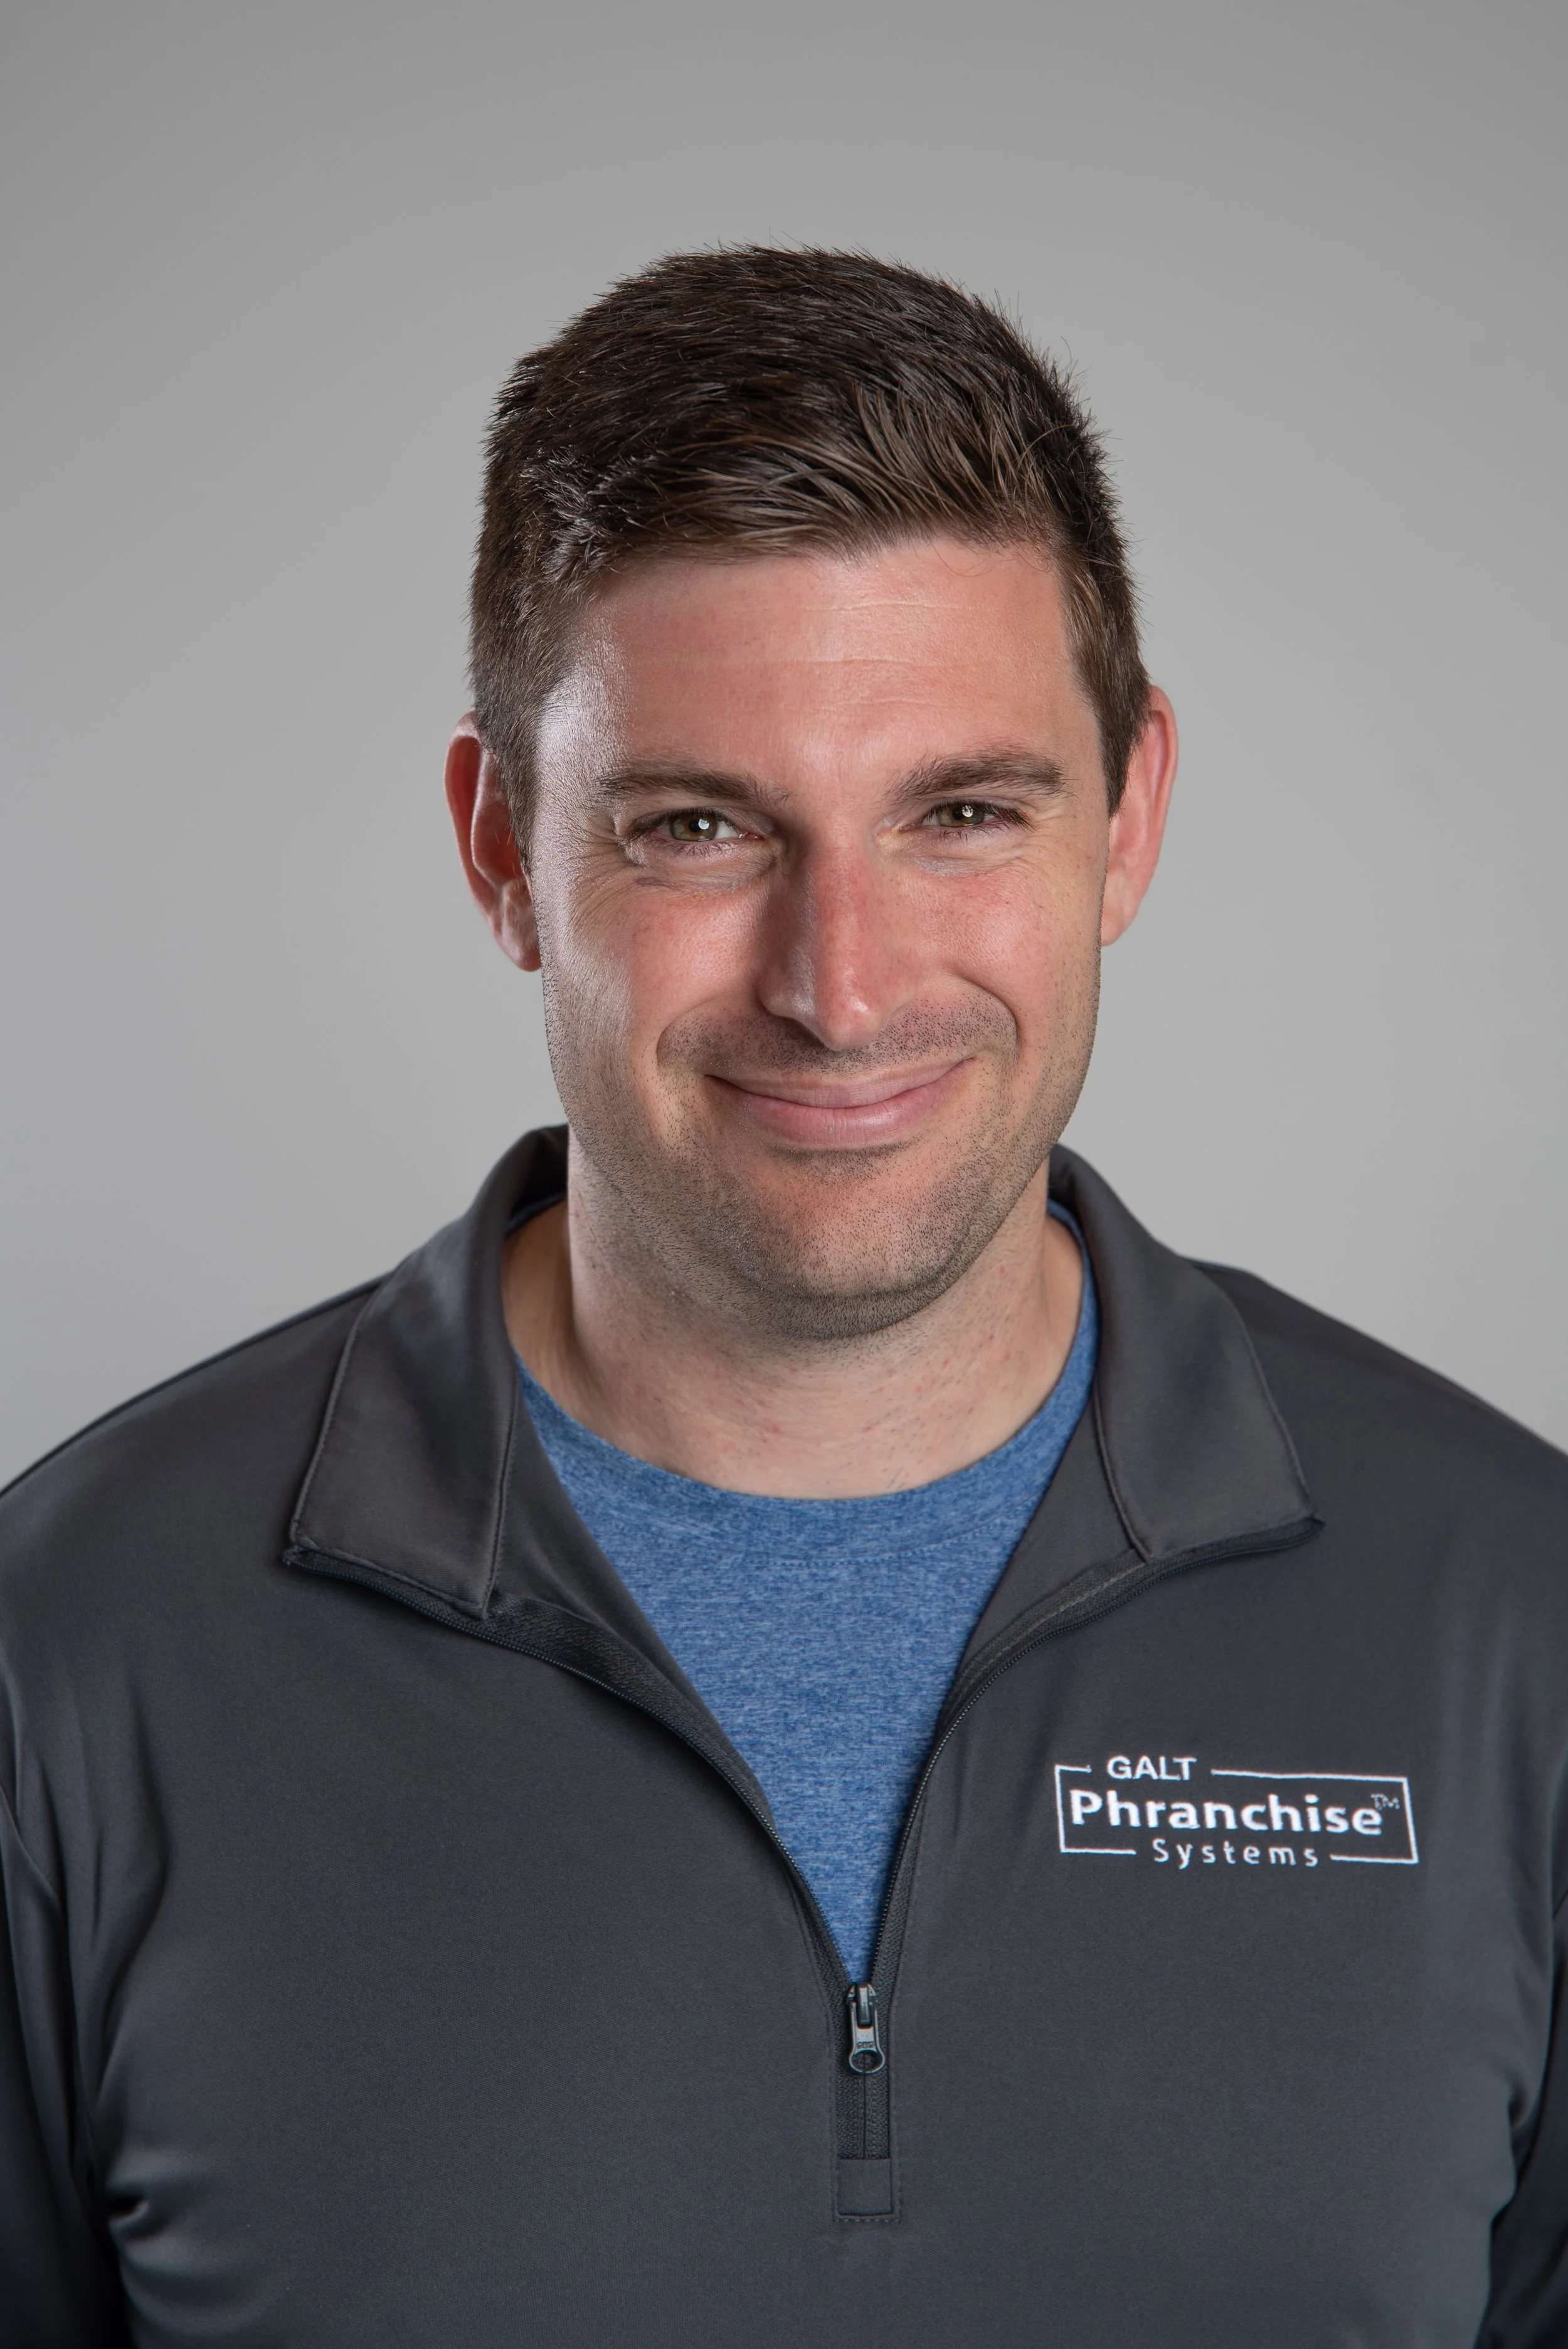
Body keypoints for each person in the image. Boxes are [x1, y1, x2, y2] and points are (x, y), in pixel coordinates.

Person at [1, 247, 1564, 2349]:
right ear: (500, 847)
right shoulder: (74, 1650)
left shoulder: (1511, 1621)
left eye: (962, 814)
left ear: (1128, 819)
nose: (839, 987)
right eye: (699, 826)